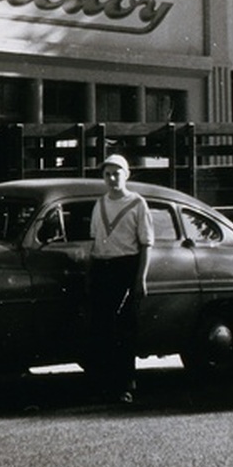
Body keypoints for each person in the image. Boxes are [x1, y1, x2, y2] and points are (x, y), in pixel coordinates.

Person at [87, 153, 153, 404]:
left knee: (123, 330)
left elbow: (146, 244)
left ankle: (125, 385)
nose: (112, 179)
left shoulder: (137, 204)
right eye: (107, 174)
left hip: (127, 266)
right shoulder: (100, 203)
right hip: (102, 267)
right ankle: (104, 384)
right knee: (101, 328)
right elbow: (95, 240)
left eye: (117, 173)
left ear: (127, 175)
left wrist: (141, 279)